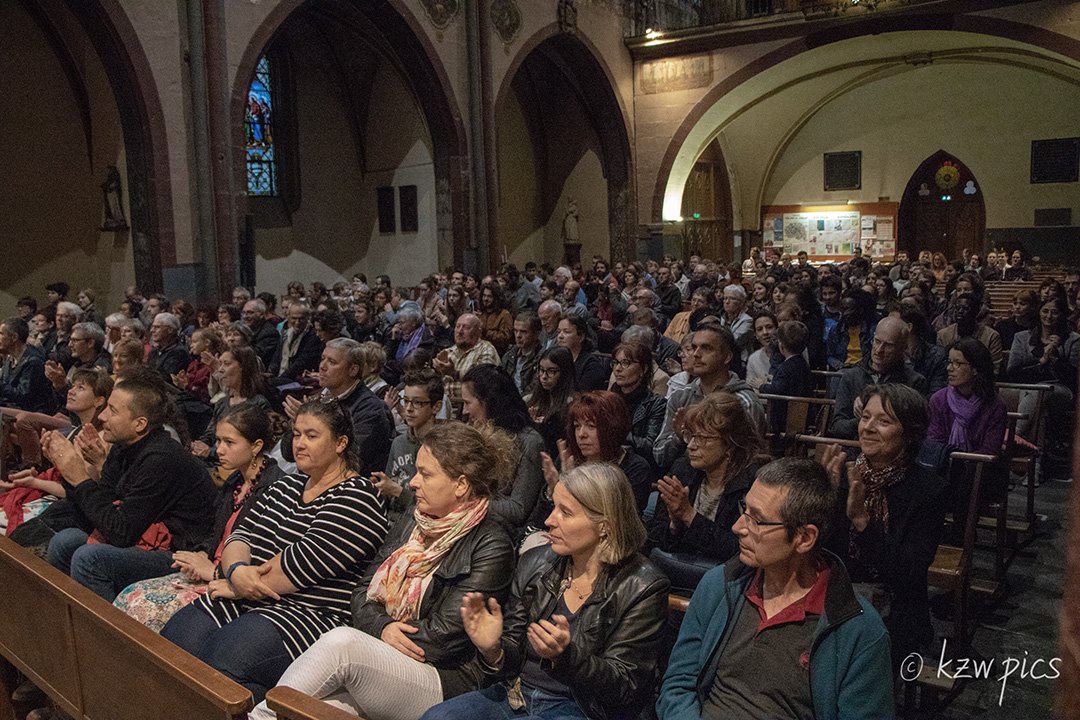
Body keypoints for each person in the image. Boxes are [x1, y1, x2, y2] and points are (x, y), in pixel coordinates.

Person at [249, 422, 517, 720]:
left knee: (343, 644)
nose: (413, 482)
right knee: (316, 710)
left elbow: (444, 638)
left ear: (461, 485)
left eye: (425, 474)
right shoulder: (413, 521)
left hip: (447, 677)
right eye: (416, 471)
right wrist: (382, 628)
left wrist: (379, 634)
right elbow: (362, 592)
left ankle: (257, 717)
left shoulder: (492, 544)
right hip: (388, 655)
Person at [160, 398, 389, 703]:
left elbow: (299, 565)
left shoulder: (358, 498)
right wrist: (238, 571)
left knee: (224, 656)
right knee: (176, 641)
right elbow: (239, 537)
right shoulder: (285, 486)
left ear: (340, 443)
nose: (300, 444)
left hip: (308, 613)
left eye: (311, 435)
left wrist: (235, 583)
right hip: (246, 594)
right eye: (296, 434)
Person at [421, 463, 670, 720]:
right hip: (516, 694)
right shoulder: (536, 563)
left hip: (581, 708)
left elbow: (624, 686)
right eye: (553, 508)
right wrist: (494, 649)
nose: (549, 521)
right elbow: (513, 656)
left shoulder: (643, 586)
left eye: (566, 512)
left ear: (604, 525)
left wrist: (567, 657)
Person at [657, 457, 894, 720]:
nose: (738, 527)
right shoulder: (720, 585)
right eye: (744, 509)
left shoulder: (858, 631)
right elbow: (678, 685)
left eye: (757, 520)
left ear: (804, 538)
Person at [43, 367, 218, 601]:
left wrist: (81, 479)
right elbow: (99, 510)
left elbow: (121, 532)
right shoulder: (124, 446)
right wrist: (68, 470)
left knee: (89, 559)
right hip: (141, 535)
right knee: (64, 542)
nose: (102, 416)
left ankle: (102, 635)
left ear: (140, 424)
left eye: (112, 411)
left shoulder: (160, 459)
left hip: (179, 551)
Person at [114, 404, 286, 631]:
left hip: (235, 584)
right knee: (129, 596)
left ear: (256, 446)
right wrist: (200, 555)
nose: (220, 450)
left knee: (143, 606)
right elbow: (215, 534)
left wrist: (213, 570)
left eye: (229, 443)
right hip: (210, 570)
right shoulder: (234, 481)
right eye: (218, 441)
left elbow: (263, 557)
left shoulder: (276, 487)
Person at [821, 384, 947, 663]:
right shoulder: (843, 474)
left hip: (895, 610)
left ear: (910, 433)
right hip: (836, 596)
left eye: (884, 421)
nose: (868, 427)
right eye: (865, 417)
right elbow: (820, 553)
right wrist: (824, 504)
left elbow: (909, 574)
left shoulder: (928, 490)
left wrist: (863, 522)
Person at [649, 392, 769, 576]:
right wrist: (675, 524)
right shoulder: (682, 469)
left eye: (703, 438)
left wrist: (689, 516)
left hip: (731, 579)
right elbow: (656, 540)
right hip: (676, 574)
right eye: (690, 436)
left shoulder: (754, 481)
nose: (691, 446)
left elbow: (742, 551)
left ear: (729, 444)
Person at [0, 368, 112, 535]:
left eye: (80, 388)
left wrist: (34, 482)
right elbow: (62, 476)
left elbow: (80, 491)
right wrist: (47, 464)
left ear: (99, 401)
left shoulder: (97, 439)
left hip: (71, 510)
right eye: (72, 386)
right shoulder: (78, 430)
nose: (71, 391)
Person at [654, 323, 765, 472]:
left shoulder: (744, 402)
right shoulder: (680, 396)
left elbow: (749, 460)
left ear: (727, 357)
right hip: (684, 482)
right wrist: (679, 439)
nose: (696, 354)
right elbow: (659, 456)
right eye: (693, 347)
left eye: (706, 348)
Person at [281, 338, 394, 477]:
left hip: (348, 487)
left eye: (332, 362)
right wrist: (297, 424)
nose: (322, 366)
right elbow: (288, 453)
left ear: (353, 370)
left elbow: (347, 460)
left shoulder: (372, 410)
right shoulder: (317, 400)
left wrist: (311, 423)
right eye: (323, 359)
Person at [460, 365, 545, 539]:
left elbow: (518, 508)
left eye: (468, 403)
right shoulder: (473, 433)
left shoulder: (529, 442)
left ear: (488, 402)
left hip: (502, 535)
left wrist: (468, 501)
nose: (464, 411)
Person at [828, 316, 927, 439]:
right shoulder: (851, 377)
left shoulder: (914, 382)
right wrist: (863, 419)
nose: (879, 350)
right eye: (877, 341)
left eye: (888, 345)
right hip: (854, 449)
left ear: (902, 348)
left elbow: (914, 431)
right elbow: (837, 427)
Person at [372, 369, 445, 526]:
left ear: (436, 407)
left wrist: (398, 492)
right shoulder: (399, 443)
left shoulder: (445, 447)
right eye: (406, 401)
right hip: (391, 523)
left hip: (422, 525)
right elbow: (389, 490)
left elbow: (440, 508)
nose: (409, 409)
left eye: (418, 402)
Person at [928, 338, 1007, 455]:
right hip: (944, 466)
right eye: (949, 362)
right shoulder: (938, 399)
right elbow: (934, 442)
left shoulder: (995, 405)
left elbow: (990, 450)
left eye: (958, 363)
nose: (949, 368)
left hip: (981, 469)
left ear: (975, 369)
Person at [191, 346, 271, 461]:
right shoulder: (222, 403)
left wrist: (211, 452)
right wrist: (199, 445)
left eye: (227, 364)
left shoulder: (258, 404)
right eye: (220, 364)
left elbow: (254, 446)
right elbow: (210, 434)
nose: (220, 370)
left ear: (243, 367)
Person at [609, 342, 666, 466]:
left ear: (644, 369)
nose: (618, 369)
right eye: (615, 363)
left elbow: (649, 446)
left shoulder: (656, 404)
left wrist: (617, 433)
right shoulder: (607, 399)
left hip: (635, 464)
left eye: (625, 363)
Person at [433, 313, 500, 416]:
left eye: (466, 328)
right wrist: (435, 371)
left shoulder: (486, 349)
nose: (459, 331)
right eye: (457, 326)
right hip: (443, 406)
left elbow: (483, 383)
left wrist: (454, 373)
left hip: (471, 410)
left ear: (478, 332)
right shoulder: (448, 352)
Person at [525, 347, 576, 456]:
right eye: (541, 370)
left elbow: (558, 444)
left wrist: (537, 427)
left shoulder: (571, 404)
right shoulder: (531, 400)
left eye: (551, 371)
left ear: (564, 372)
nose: (544, 376)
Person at [937, 294, 1004, 376]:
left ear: (976, 311)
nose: (960, 311)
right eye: (957, 308)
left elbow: (994, 370)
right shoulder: (943, 334)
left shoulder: (991, 336)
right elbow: (941, 366)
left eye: (965, 308)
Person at [0, 317, 56, 415]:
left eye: (1, 334)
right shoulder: (10, 356)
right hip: (13, 408)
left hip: (32, 412)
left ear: (14, 337)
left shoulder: (34, 361)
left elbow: (24, 395)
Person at [269, 303, 323, 382]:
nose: (297, 322)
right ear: (288, 317)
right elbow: (276, 359)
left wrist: (278, 380)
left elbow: (301, 363)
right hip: (281, 376)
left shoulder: (313, 336)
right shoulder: (285, 334)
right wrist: (270, 375)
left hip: (297, 379)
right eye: (294, 318)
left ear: (308, 318)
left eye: (301, 318)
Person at [556, 315, 607, 392]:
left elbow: (582, 395)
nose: (560, 336)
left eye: (566, 332)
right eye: (559, 332)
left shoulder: (592, 365)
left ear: (581, 336)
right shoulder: (555, 359)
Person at [501, 311, 542, 395]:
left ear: (536, 334)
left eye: (523, 332)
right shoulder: (509, 355)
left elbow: (534, 390)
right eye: (515, 331)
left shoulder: (542, 358)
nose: (518, 336)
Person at [995, 289, 1039, 354]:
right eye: (1015, 303)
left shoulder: (1037, 327)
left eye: (1022, 304)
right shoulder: (1002, 325)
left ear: (1032, 306)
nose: (1017, 307)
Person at [478, 285, 514, 356]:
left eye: (489, 296)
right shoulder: (480, 314)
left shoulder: (504, 314)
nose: (486, 299)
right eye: (484, 296)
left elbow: (505, 338)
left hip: (496, 353)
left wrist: (486, 332)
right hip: (480, 351)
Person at [744, 312, 776, 392]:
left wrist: (764, 385)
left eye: (769, 327)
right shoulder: (753, 359)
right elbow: (751, 388)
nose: (765, 332)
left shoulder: (791, 352)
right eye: (759, 329)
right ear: (756, 335)